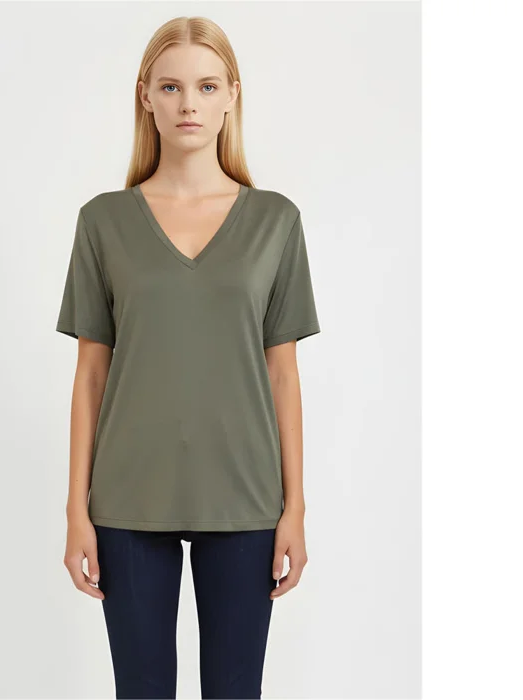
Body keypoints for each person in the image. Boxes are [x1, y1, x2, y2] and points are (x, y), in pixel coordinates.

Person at [56, 15, 321, 700]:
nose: (188, 104)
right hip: (127, 496)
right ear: (145, 96)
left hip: (245, 497)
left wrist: (294, 508)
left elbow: (283, 373)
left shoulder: (276, 221)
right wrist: (76, 510)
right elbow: (91, 374)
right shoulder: (103, 222)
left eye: (206, 86)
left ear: (232, 94)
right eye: (171, 86)